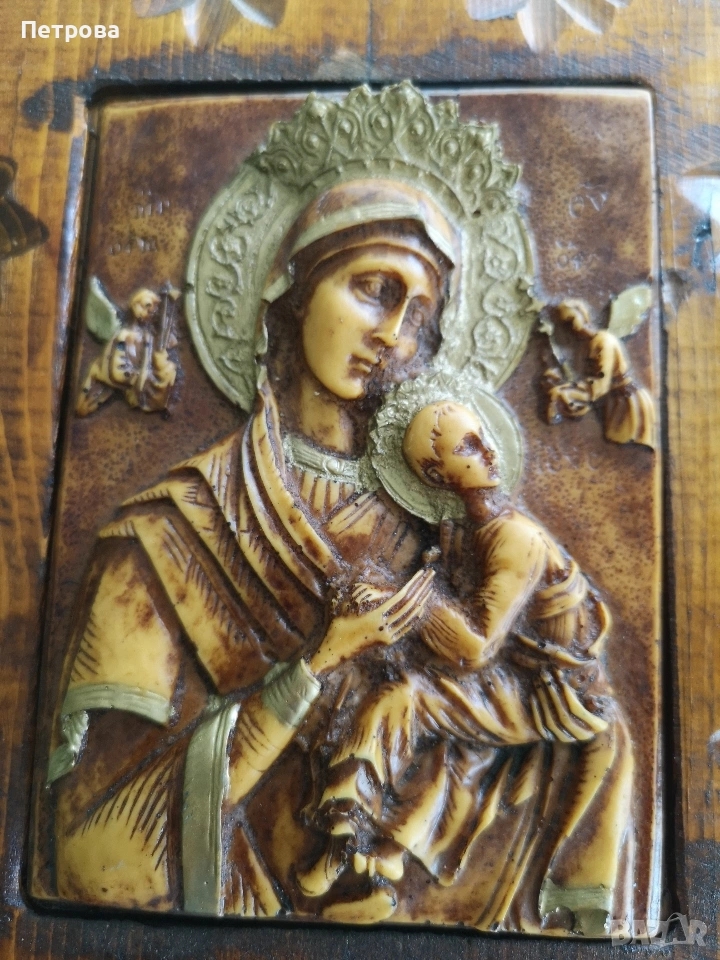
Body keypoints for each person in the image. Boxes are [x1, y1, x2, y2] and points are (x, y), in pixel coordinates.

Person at [48, 179, 455, 917]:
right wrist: (314, 666)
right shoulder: (165, 534)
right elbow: (92, 859)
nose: (394, 334)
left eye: (419, 315)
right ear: (295, 292)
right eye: (374, 289)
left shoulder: (437, 541)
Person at [300, 400, 634, 935]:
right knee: (401, 697)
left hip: (554, 694)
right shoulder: (463, 535)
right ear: (437, 476)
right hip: (512, 683)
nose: (488, 451)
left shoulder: (515, 537)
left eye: (481, 438)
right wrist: (382, 606)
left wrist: (408, 606)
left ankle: (342, 848)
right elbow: (447, 633)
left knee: (400, 700)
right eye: (467, 446)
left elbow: (476, 645)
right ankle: (376, 866)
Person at [544, 299, 655, 448]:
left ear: (583, 314)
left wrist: (569, 392)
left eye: (572, 319)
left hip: (629, 403)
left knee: (630, 448)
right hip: (616, 403)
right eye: (566, 324)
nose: (572, 327)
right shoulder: (589, 345)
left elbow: (600, 385)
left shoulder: (604, 341)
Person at [75, 288, 178, 416]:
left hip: (139, 381)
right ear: (136, 308)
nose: (151, 313)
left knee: (168, 371)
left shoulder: (147, 337)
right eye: (148, 309)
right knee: (83, 408)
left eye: (153, 311)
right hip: (109, 379)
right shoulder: (124, 336)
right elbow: (116, 369)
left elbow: (155, 355)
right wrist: (135, 376)